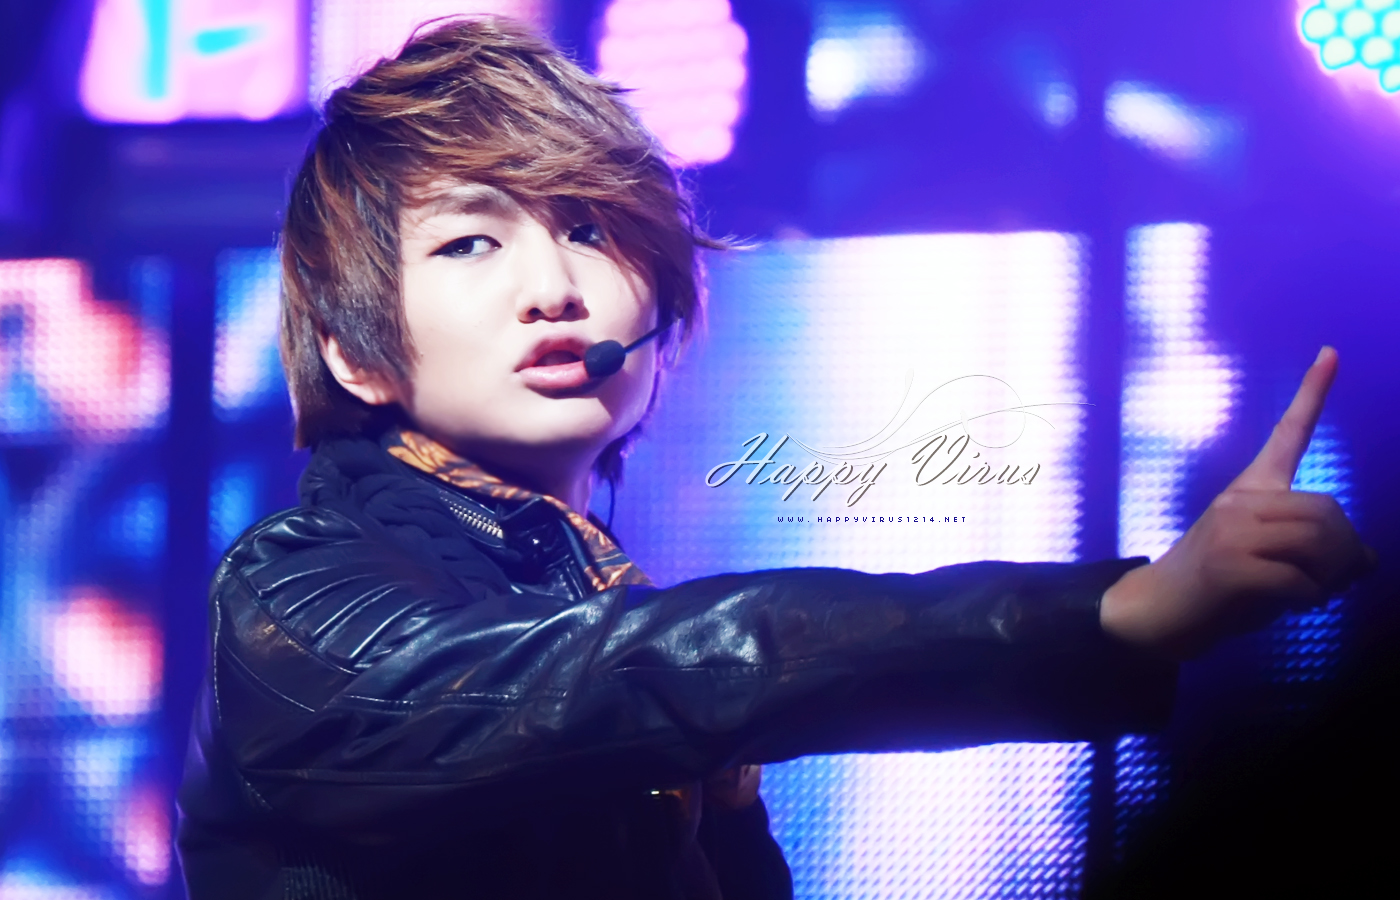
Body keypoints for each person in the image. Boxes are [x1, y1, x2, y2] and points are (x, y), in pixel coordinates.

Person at [174, 16, 1375, 900]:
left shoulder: (596, 602)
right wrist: (1111, 615)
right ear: (353, 354)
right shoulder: (291, 598)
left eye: (586, 228)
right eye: (469, 243)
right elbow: (606, 674)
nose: (551, 287)